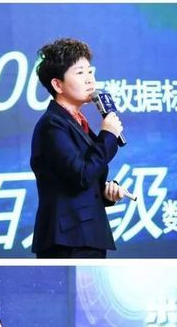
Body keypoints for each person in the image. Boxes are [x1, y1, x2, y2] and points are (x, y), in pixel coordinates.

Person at [31, 38, 127, 258]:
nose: (90, 79)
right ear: (58, 85)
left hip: (85, 235)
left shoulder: (75, 122)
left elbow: (82, 178)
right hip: (68, 241)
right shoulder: (52, 125)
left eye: (90, 72)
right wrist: (107, 135)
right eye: (80, 73)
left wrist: (106, 194)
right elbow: (81, 175)